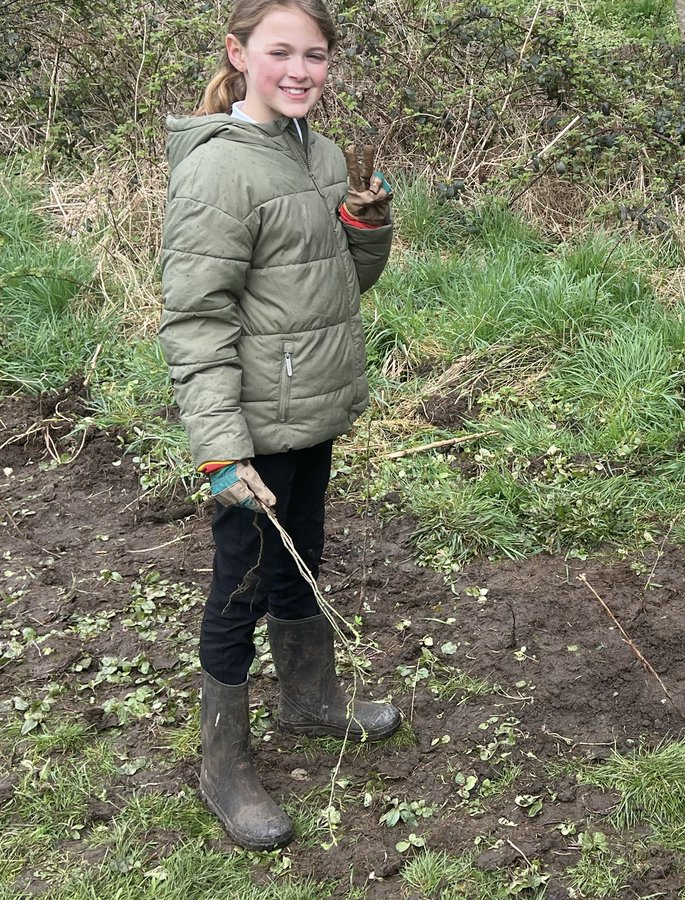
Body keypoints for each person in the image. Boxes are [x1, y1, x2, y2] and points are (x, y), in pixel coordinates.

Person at [158, 0, 400, 850]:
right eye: (281, 53)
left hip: (312, 409)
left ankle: (311, 703)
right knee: (240, 584)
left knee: (305, 551)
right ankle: (222, 765)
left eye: (317, 55)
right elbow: (196, 319)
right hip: (252, 425)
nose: (301, 70)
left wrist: (365, 226)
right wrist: (220, 447)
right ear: (239, 53)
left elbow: (337, 286)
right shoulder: (219, 172)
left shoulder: (322, 153)